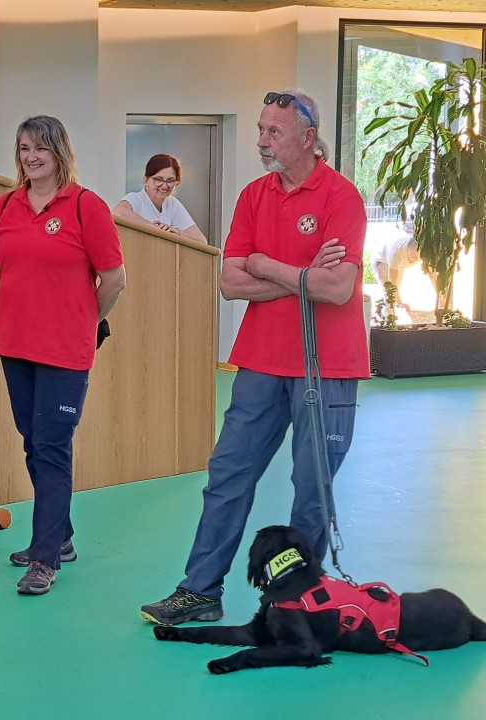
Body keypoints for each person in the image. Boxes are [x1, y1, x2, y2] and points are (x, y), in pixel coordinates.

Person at [140, 90, 369, 625]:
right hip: (261, 362)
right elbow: (230, 283)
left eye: (274, 132)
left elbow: (337, 289)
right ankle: (200, 592)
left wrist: (266, 264)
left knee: (311, 491)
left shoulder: (341, 197)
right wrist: (302, 275)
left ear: (308, 138)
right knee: (228, 475)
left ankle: (295, 604)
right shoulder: (252, 196)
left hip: (326, 368)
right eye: (261, 130)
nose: (262, 141)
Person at [0, 115, 126, 596]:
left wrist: (84, 321)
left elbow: (114, 280)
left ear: (59, 152)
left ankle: (44, 558)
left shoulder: (87, 206)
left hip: (65, 350)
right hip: (15, 344)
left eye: (40, 148)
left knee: (50, 446)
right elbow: (4, 269)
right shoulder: (5, 206)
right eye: (24, 148)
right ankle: (60, 537)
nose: (31, 157)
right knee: (33, 440)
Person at [112, 154, 208, 243]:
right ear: (146, 180)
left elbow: (201, 240)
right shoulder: (136, 198)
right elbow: (117, 213)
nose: (164, 186)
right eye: (158, 179)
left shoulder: (173, 203)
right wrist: (155, 229)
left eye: (170, 181)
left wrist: (177, 232)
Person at [370, 221, 422, 310]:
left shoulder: (421, 249)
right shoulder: (396, 253)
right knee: (389, 291)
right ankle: (387, 312)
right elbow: (392, 282)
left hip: (397, 263)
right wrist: (400, 303)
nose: (415, 258)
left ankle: (387, 305)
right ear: (407, 249)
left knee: (395, 290)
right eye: (413, 255)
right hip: (381, 260)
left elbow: (431, 273)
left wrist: (440, 294)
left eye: (418, 256)